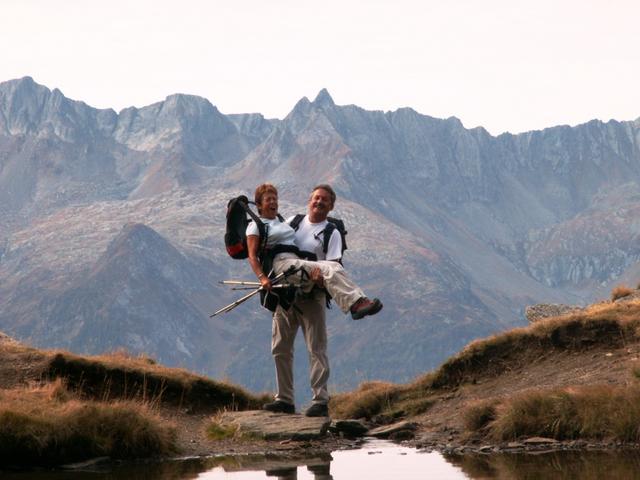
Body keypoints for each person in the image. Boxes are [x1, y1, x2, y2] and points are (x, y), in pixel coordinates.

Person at [246, 183, 382, 416]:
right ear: (309, 200)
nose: (319, 202)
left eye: (324, 200)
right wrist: (262, 273)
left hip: (313, 295)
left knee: (316, 348)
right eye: (316, 198)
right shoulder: (292, 222)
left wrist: (320, 280)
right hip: (286, 293)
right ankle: (284, 399)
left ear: (331, 206)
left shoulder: (332, 232)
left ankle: (320, 401)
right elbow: (270, 243)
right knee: (280, 347)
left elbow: (335, 267)